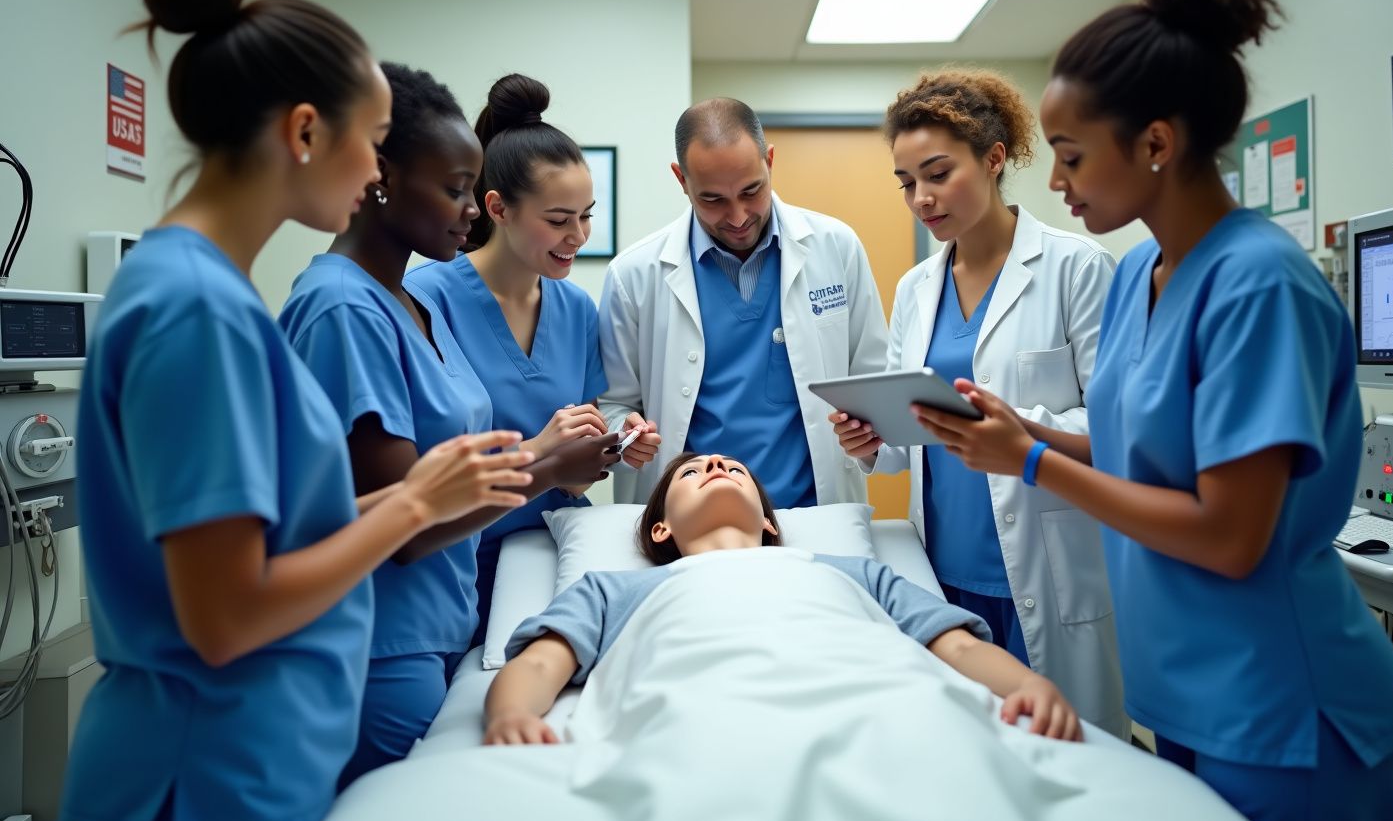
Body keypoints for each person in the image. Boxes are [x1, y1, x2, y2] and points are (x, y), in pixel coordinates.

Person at [914, 0, 1393, 821]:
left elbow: (1230, 534)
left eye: (1070, 157)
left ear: (1155, 142)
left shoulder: (1259, 284)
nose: (1056, 182)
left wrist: (1029, 464)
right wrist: (1034, 434)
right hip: (1181, 694)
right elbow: (1142, 453)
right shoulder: (1143, 268)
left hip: (1280, 708)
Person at [62, 0, 532, 821]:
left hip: (248, 776)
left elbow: (275, 540)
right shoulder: (194, 310)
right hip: (204, 792)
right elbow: (226, 613)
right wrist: (412, 506)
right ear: (307, 132)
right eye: (376, 139)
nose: (378, 170)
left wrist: (436, 493)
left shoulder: (211, 295)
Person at [279, 62, 620, 786]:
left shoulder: (406, 305)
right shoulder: (345, 308)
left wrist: (575, 454)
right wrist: (545, 465)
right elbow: (400, 518)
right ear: (381, 181)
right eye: (457, 190)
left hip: (443, 624)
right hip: (380, 642)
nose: (469, 212)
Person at [829, 68, 1125, 737]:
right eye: (906, 183)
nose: (922, 198)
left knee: (1063, 757)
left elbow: (1119, 427)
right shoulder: (915, 288)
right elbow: (915, 437)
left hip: (1047, 572)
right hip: (944, 569)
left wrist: (1021, 424)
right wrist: (874, 436)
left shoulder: (1076, 267)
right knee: (968, 752)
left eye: (937, 174)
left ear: (994, 159)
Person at [486, 452, 1082, 745]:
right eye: (694, 472)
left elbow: (953, 646)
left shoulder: (853, 573)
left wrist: (1027, 685)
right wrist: (511, 715)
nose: (716, 463)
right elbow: (539, 663)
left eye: (732, 468)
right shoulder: (617, 589)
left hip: (871, 718)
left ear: (771, 525)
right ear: (660, 528)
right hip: (697, 723)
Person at [407, 73, 661, 639]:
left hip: (551, 569)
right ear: (496, 208)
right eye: (558, 220)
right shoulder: (426, 298)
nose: (579, 236)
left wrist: (618, 445)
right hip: (455, 569)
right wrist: (538, 452)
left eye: (586, 215)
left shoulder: (574, 309)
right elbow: (412, 470)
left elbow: (578, 473)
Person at [598, 98, 888, 508]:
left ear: (769, 161)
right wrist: (625, 434)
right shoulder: (633, 274)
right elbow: (613, 404)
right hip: (690, 525)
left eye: (751, 191)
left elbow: (873, 378)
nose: (737, 217)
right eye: (713, 199)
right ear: (682, 180)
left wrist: (870, 432)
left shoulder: (835, 248)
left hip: (812, 512)